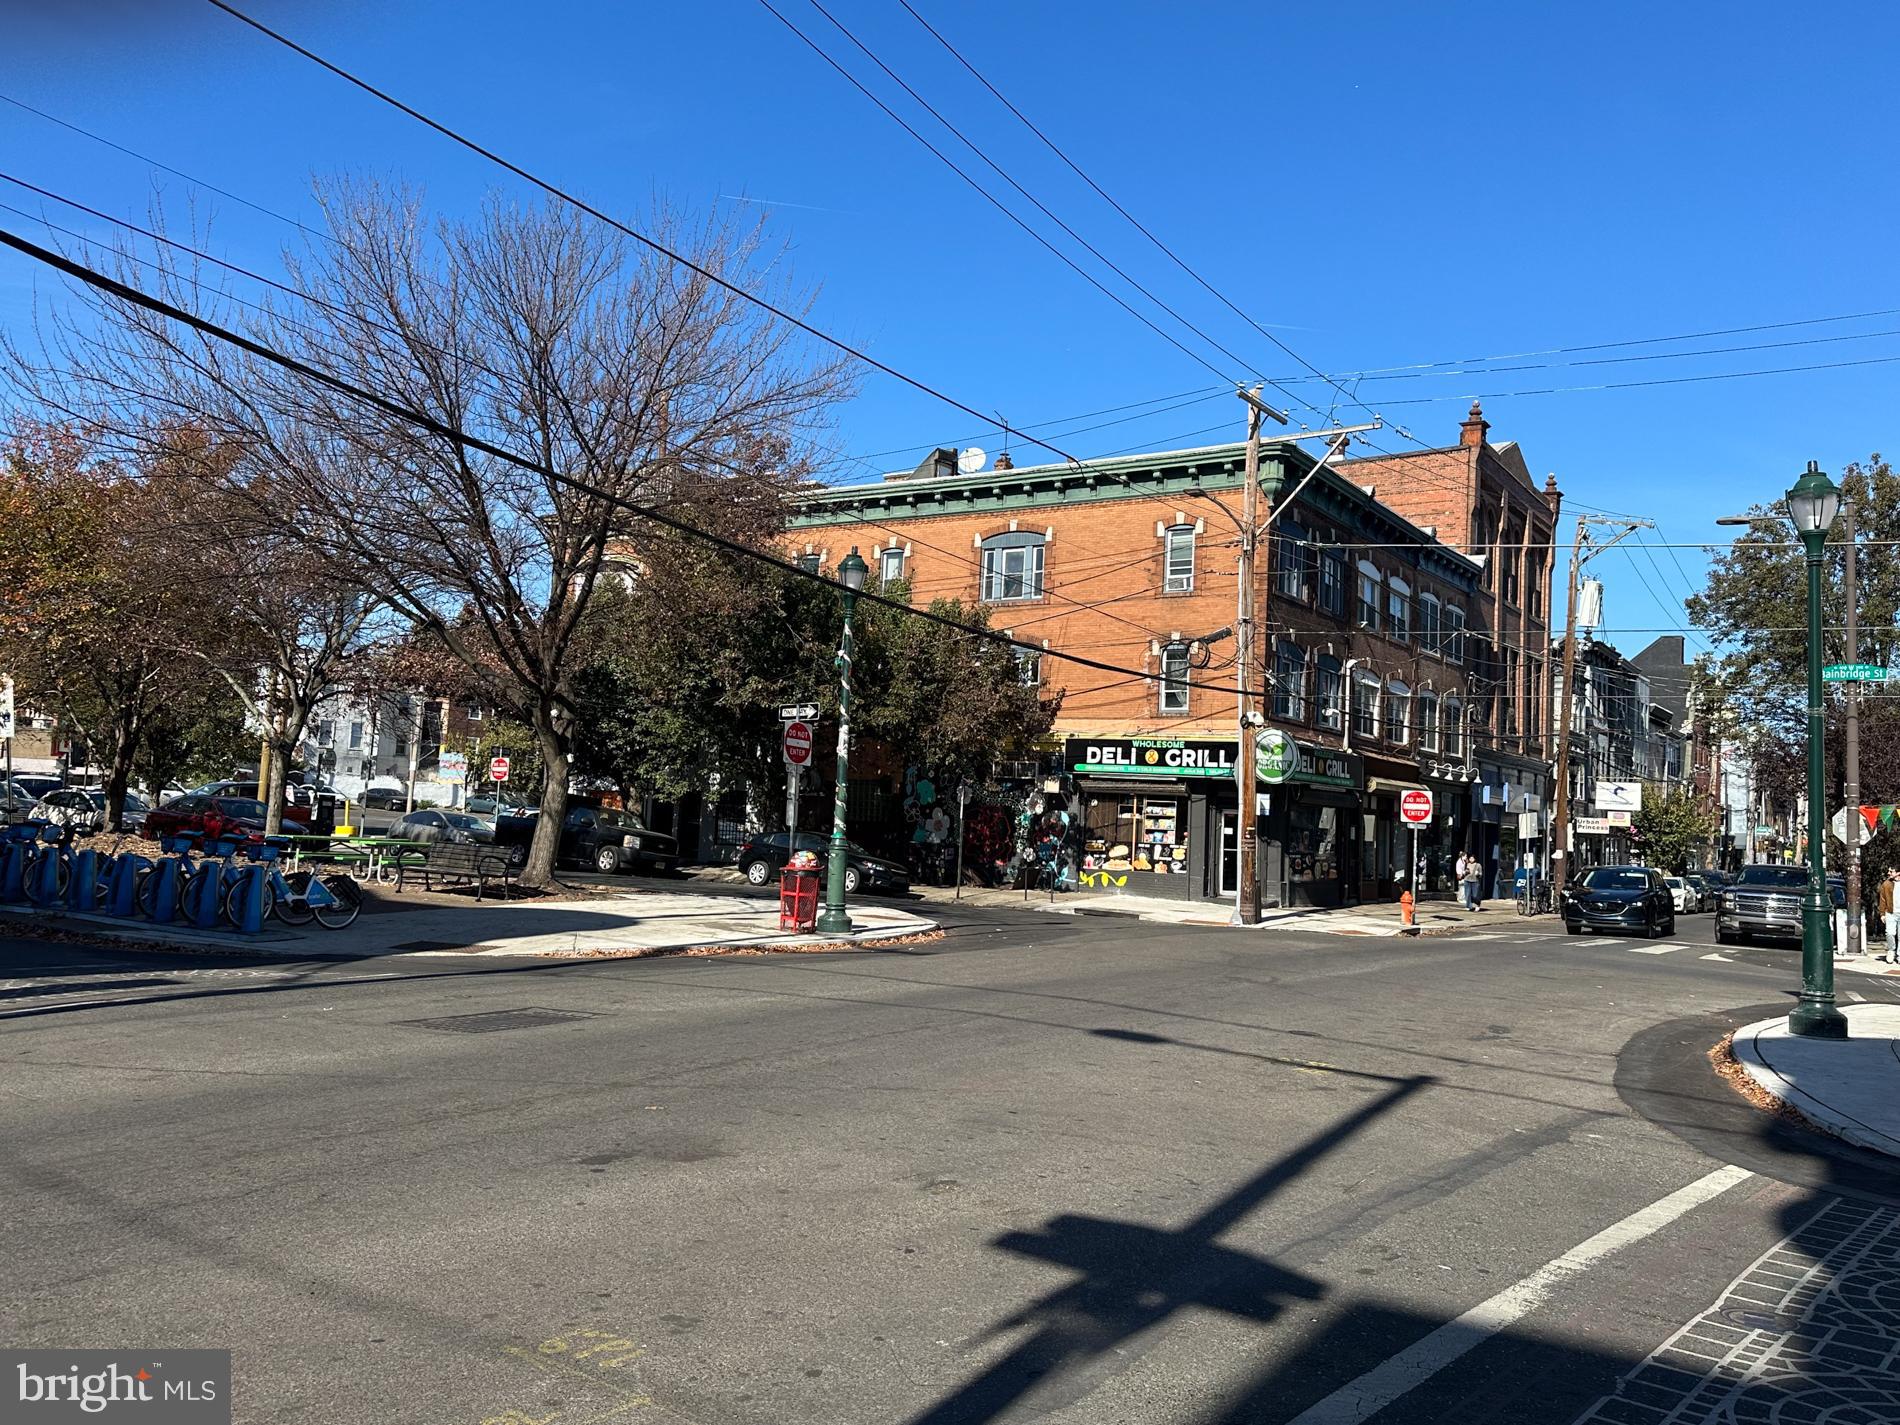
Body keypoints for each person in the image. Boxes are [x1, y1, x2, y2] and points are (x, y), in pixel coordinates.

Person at [1882, 869, 1900, 963]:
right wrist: (1882, 914)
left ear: (1898, 873)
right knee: (1889, 933)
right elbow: (1883, 899)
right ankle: (1891, 951)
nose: (1888, 873)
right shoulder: (1886, 884)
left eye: (1891, 871)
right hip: (1890, 912)